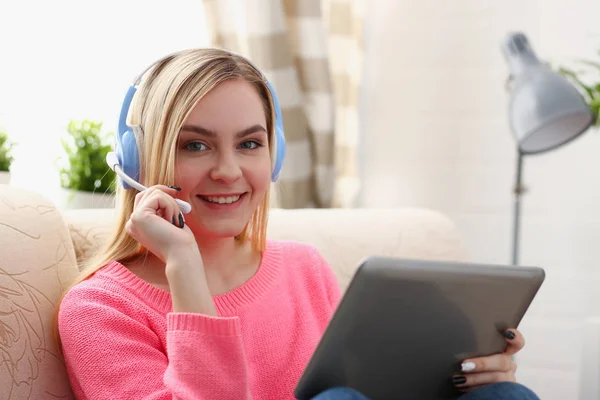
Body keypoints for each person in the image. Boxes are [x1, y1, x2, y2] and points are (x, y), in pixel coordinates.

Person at [56, 48, 540, 400]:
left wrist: (464, 372)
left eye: (249, 144)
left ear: (275, 154)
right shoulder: (99, 308)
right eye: (195, 145)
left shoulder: (304, 268)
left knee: (503, 397)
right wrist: (185, 268)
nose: (229, 170)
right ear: (139, 162)